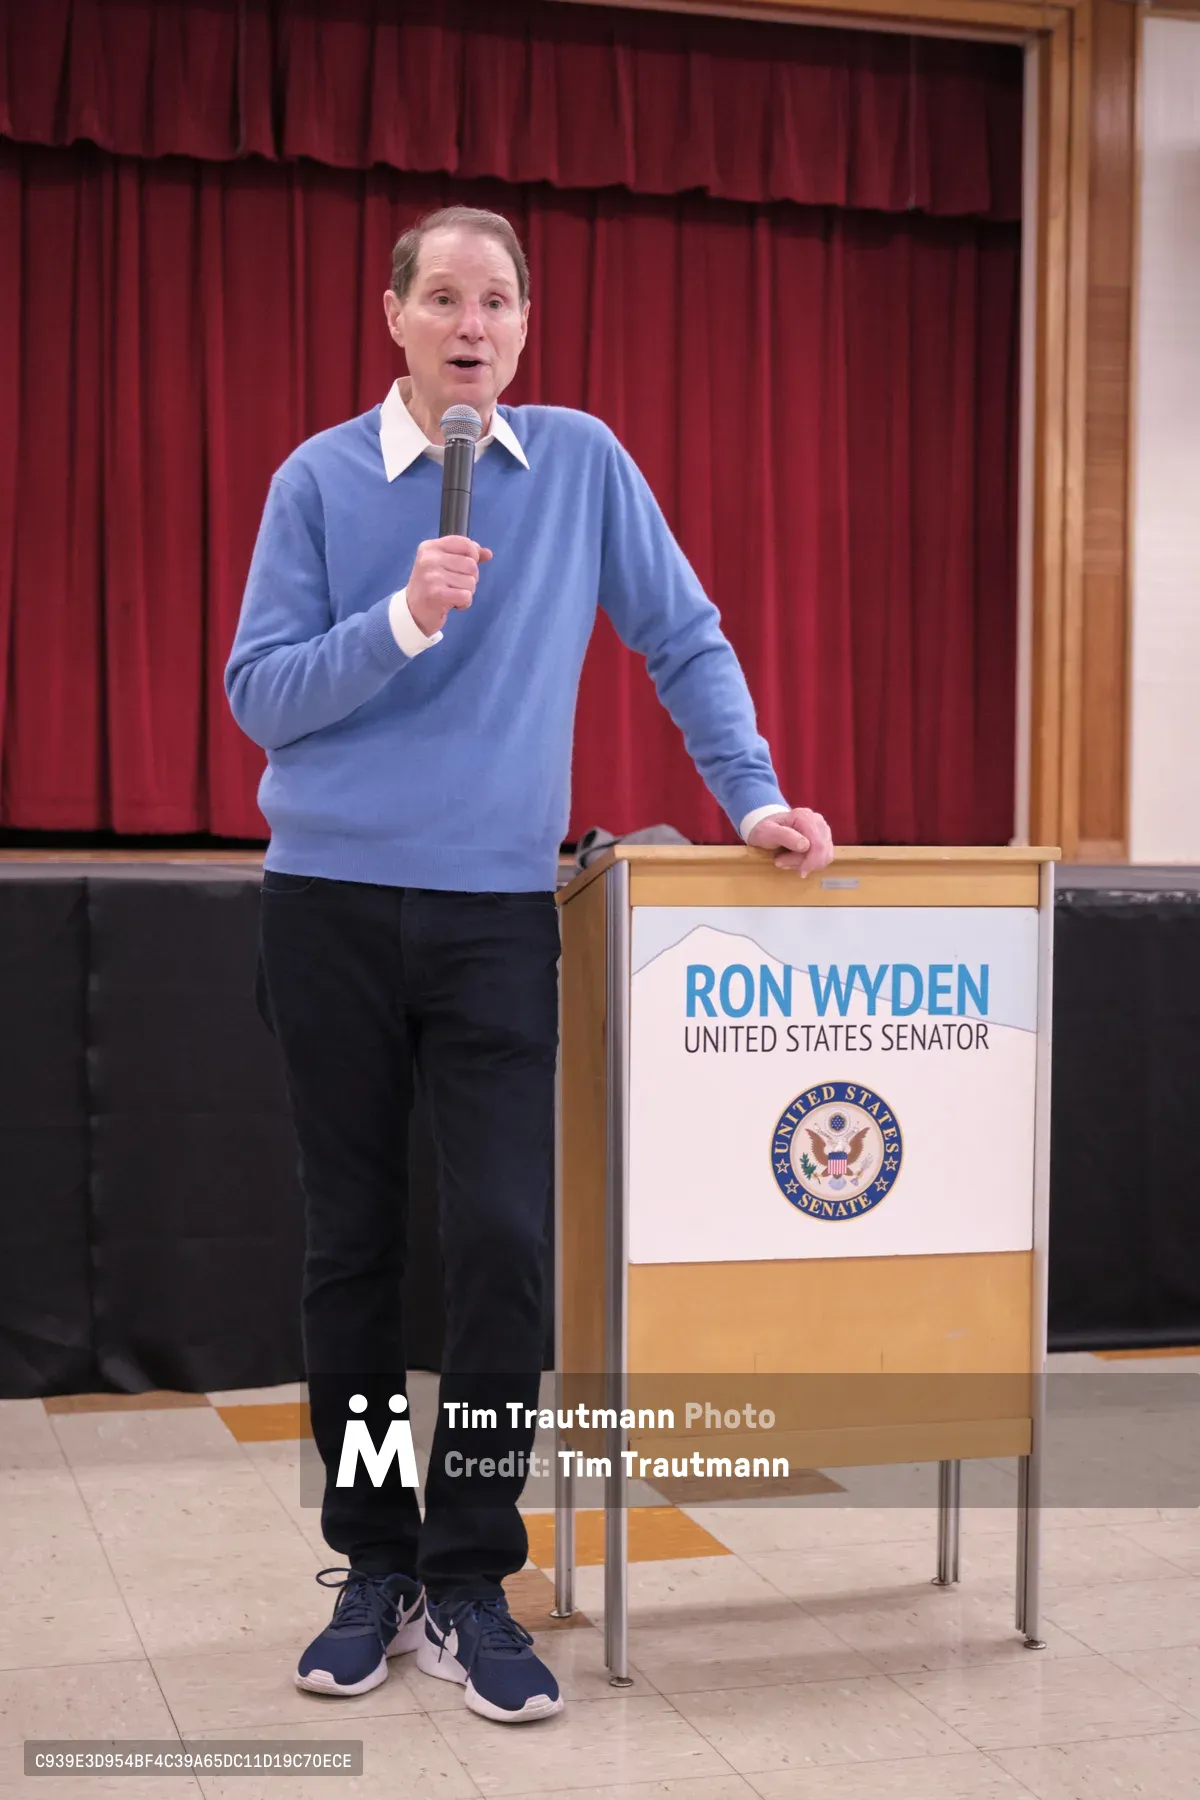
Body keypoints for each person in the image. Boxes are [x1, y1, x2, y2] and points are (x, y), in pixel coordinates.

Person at [225, 205, 834, 1726]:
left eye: (498, 299)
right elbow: (261, 700)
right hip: (330, 912)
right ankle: (373, 1564)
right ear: (394, 319)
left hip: (498, 917)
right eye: (443, 296)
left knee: (502, 1246)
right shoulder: (318, 480)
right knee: (354, 1253)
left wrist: (748, 791)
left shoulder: (580, 464)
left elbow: (682, 637)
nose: (472, 323)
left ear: (525, 327)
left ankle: (474, 1574)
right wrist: (404, 618)